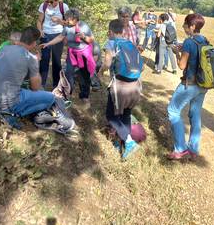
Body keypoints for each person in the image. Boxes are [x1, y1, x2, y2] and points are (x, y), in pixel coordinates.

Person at [0, 27, 56, 118]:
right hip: (8, 103)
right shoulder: (31, 58)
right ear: (34, 43)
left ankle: (8, 112)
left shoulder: (4, 49)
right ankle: (11, 113)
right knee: (51, 98)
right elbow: (35, 87)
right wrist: (36, 64)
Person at [166, 13, 210, 160]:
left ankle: (180, 148)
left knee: (173, 111)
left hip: (189, 84)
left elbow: (181, 65)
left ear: (192, 26)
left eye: (185, 24)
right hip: (203, 84)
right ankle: (193, 149)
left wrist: (177, 52)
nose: (184, 27)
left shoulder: (189, 42)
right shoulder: (205, 40)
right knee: (195, 114)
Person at [98, 19, 143, 160]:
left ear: (110, 31)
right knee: (125, 114)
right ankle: (122, 141)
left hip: (120, 85)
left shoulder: (111, 43)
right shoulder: (130, 43)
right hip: (135, 85)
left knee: (111, 115)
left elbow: (107, 63)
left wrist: (100, 72)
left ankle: (129, 142)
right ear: (123, 31)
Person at [40, 9, 95, 100]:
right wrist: (48, 44)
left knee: (84, 74)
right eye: (66, 19)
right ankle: (67, 95)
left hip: (83, 53)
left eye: (68, 19)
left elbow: (91, 40)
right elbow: (60, 37)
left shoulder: (83, 26)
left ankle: (84, 95)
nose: (66, 21)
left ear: (75, 19)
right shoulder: (67, 27)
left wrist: (84, 37)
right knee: (69, 73)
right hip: (72, 53)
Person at [36, 0, 70, 89]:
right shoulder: (43, 6)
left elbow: (69, 23)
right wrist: (40, 30)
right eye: (47, 1)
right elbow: (39, 20)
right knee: (44, 60)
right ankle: (41, 84)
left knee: (56, 60)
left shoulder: (63, 6)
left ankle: (56, 85)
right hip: (45, 34)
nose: (49, 3)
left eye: (51, 1)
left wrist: (59, 21)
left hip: (58, 34)